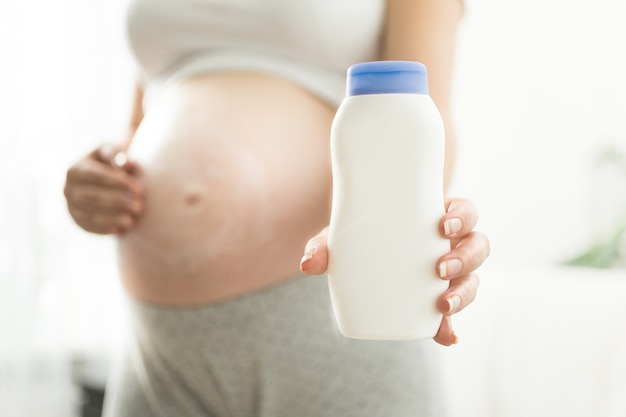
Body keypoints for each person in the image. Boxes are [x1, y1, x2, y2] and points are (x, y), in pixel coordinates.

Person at [64, 0, 490, 415]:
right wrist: (101, 179)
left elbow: (422, 119)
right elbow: (140, 123)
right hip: (159, 340)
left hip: (329, 308)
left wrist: (418, 235)